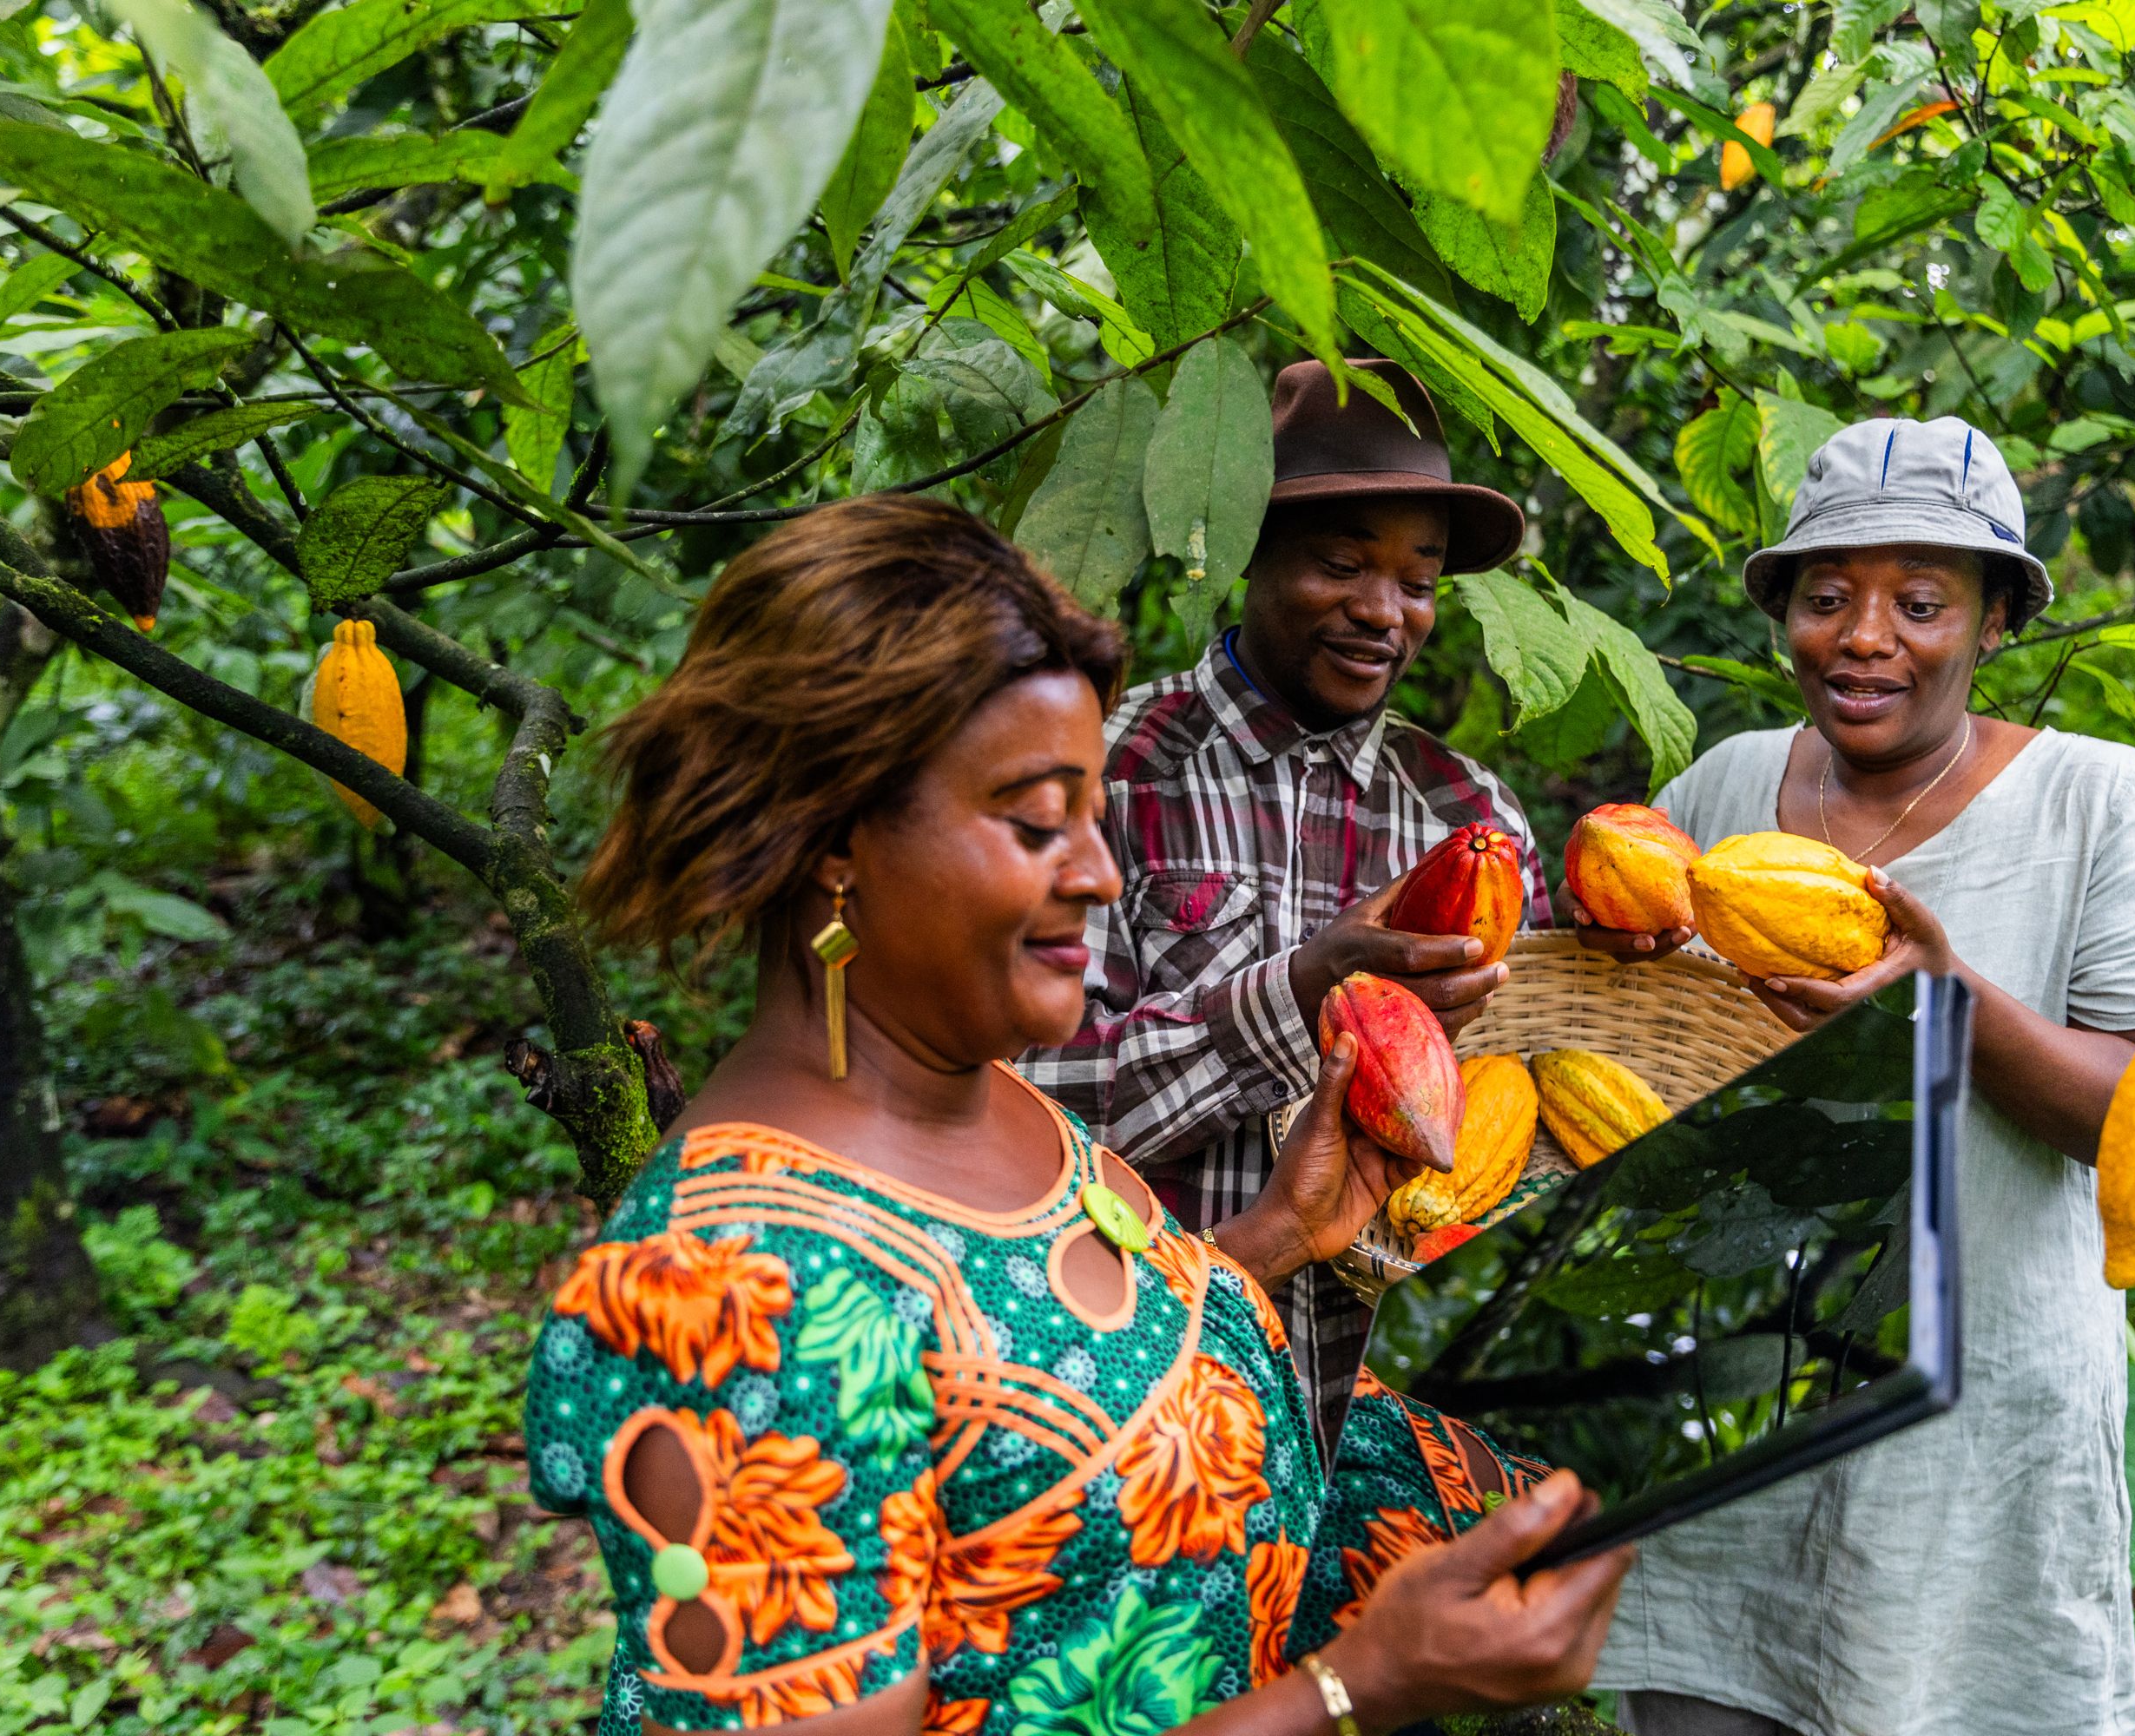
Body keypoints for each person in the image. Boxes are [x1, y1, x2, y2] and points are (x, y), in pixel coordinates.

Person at [524, 496, 1631, 1736]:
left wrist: (1275, 1239)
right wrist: (1357, 1687)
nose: (1101, 874)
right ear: (836, 841)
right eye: (1038, 822)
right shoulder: (731, 1293)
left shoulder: (990, 1094)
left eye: (1095, 816)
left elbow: (1069, 1380)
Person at [1587, 418, 2135, 1736]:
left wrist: (1939, 998)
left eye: (1921, 603)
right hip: (1727, 1447)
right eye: (1827, 598)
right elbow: (1620, 1075)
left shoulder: (2103, 804)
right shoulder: (1721, 788)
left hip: (1973, 1459)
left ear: (1994, 619)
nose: (1865, 638)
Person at [1020, 358, 1558, 1425]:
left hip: (1360, 1422)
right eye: (1342, 563)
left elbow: (1519, 1119)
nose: (1383, 611)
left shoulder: (1467, 815)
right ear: (1249, 551)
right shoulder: (1111, 768)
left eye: (1417, 581)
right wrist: (1299, 992)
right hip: (1123, 1387)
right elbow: (1023, 1105)